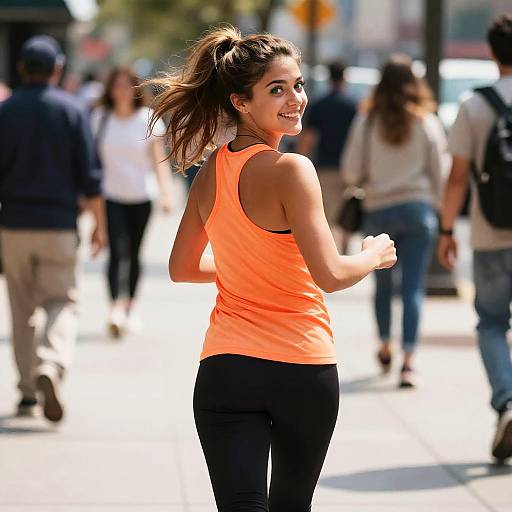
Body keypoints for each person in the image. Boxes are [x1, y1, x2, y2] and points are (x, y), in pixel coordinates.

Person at [148, 26, 396, 510]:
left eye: (298, 85)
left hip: (225, 369)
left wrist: (246, 265)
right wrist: (372, 256)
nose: (295, 99)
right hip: (301, 367)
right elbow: (330, 275)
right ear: (240, 102)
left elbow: (182, 267)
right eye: (277, 89)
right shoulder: (292, 170)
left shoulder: (211, 171)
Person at [0, 35, 106, 422]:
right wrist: (99, 225)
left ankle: (27, 393)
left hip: (12, 225)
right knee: (63, 302)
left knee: (21, 309)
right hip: (60, 225)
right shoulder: (72, 111)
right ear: (58, 69)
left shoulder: (5, 111)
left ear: (23, 69)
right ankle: (51, 363)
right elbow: (92, 177)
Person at [342, 54, 447, 388]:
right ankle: (409, 361)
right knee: (413, 287)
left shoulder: (367, 121)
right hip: (418, 211)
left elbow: (351, 169)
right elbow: (439, 171)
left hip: (379, 210)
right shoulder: (425, 122)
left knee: (383, 286)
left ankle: (385, 344)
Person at [438, 13, 512, 462]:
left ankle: (506, 402)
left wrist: (447, 229)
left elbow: (457, 177)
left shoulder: (474, 104)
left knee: (490, 322)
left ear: (491, 52)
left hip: (490, 232)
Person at [91, 66, 173, 337]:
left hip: (141, 195)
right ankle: (115, 308)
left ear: (136, 89)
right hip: (110, 196)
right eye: (117, 85)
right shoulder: (100, 118)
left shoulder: (147, 118)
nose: (122, 91)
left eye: (127, 85)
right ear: (110, 90)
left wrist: (165, 192)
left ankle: (130, 307)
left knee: (135, 253)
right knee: (117, 251)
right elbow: (93, 162)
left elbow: (158, 160)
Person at [296, 60, 357, 252]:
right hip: (351, 167)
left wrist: (299, 161)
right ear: (345, 77)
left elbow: (309, 138)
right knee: (348, 208)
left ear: (329, 78)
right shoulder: (354, 105)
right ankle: (345, 245)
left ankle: (332, 249)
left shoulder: (320, 105)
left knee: (328, 211)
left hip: (326, 166)